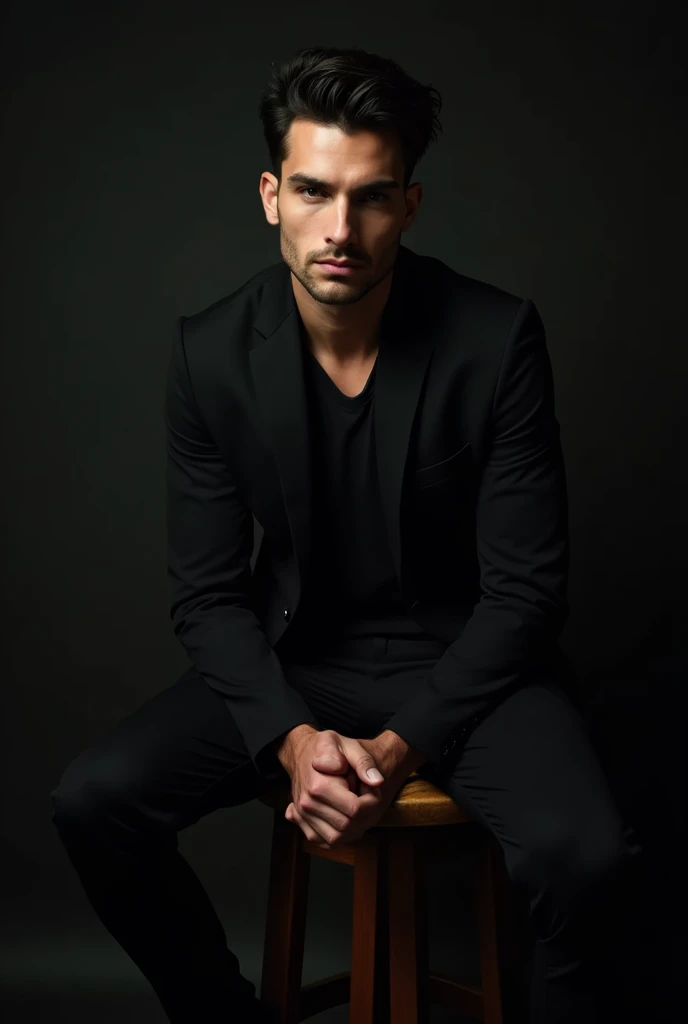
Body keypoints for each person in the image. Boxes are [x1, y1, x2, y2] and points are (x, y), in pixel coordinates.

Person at [50, 45, 642, 1023]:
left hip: (469, 671)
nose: (340, 229)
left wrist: (402, 745)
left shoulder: (494, 339)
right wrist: (289, 740)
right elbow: (206, 591)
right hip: (302, 663)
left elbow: (527, 593)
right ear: (271, 195)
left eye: (370, 198)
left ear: (408, 206)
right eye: (315, 192)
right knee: (94, 802)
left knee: (588, 856)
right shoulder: (209, 353)